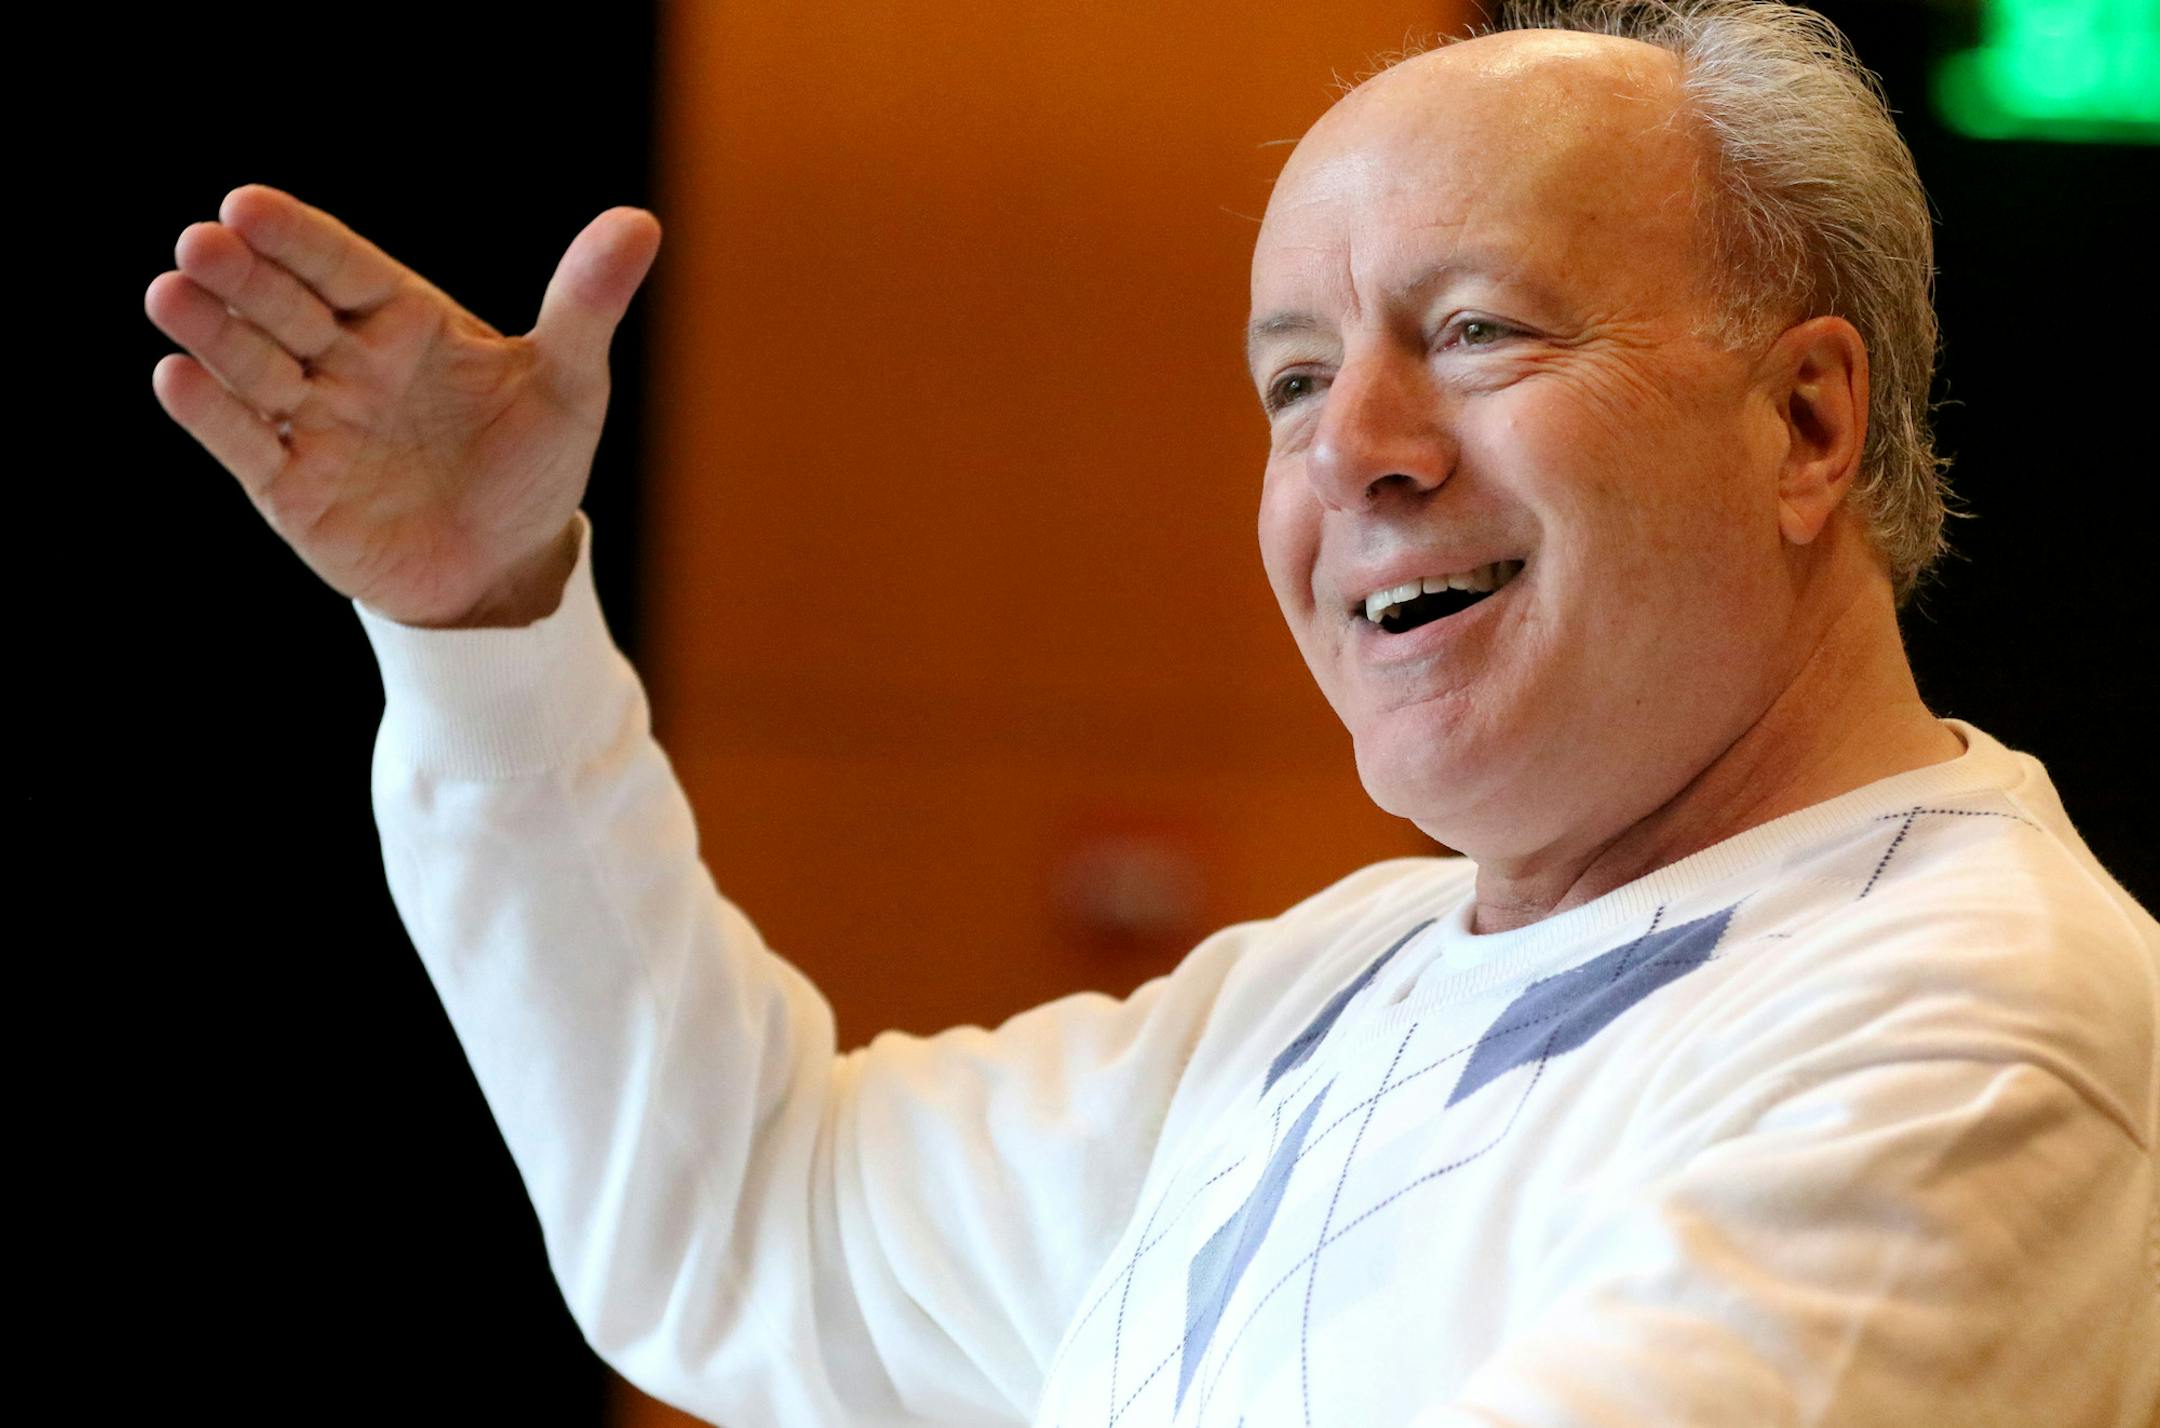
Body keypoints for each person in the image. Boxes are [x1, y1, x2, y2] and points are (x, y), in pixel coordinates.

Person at [145, 1, 2157, 1424]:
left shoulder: (1986, 1030)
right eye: (1292, 377)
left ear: (1806, 419)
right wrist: (489, 620)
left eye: (1471, 332)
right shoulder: (1339, 981)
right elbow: (755, 1227)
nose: (1353, 446)